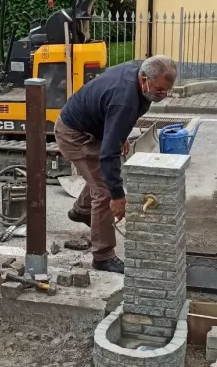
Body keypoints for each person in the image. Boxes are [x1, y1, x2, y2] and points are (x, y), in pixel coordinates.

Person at [55, 55, 177, 273]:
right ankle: (103, 256)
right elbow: (108, 154)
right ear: (143, 79)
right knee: (105, 191)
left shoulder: (136, 77)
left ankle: (82, 210)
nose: (162, 95)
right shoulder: (125, 100)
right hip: (73, 135)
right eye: (159, 90)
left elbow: (110, 114)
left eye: (166, 91)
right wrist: (118, 197)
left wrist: (119, 136)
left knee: (103, 175)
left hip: (91, 127)